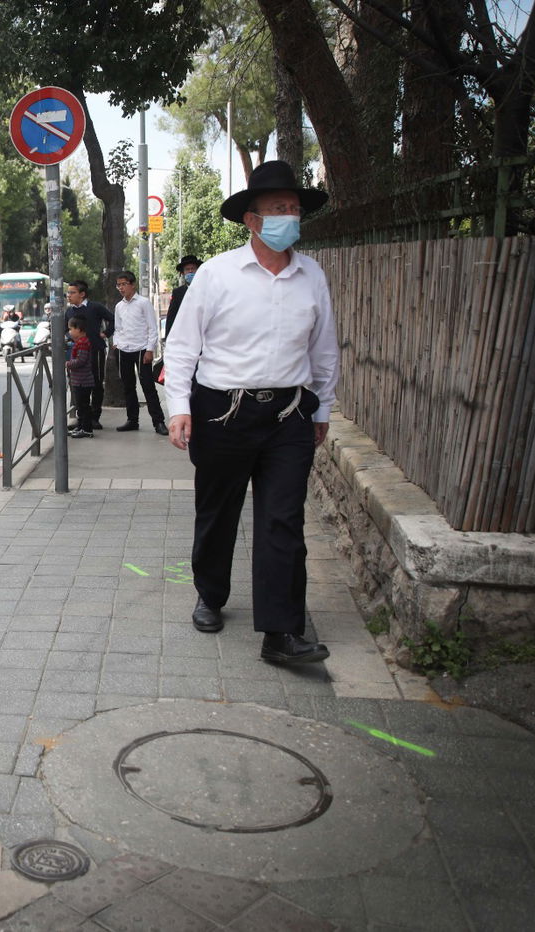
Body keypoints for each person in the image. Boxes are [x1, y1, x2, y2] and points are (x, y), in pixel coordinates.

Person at [163, 160, 339, 665]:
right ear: (253, 220)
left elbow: (324, 349)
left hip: (289, 415)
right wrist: (180, 408)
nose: (289, 216)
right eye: (278, 209)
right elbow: (181, 348)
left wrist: (322, 405)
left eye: (294, 209)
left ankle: (281, 633)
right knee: (218, 512)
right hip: (223, 412)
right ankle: (211, 594)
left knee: (283, 519)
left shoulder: (312, 277)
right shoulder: (217, 275)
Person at [112, 271, 166, 434]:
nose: (121, 288)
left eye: (124, 284)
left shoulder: (143, 303)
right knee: (128, 387)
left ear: (132, 284)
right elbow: (117, 328)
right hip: (123, 350)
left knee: (148, 386)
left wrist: (150, 349)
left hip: (142, 349)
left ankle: (159, 422)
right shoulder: (119, 306)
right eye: (119, 285)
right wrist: (116, 343)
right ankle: (132, 420)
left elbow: (152, 327)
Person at [64, 280, 114, 430]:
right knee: (77, 384)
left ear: (82, 294)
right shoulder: (69, 311)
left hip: (95, 350)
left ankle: (94, 417)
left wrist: (105, 334)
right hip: (76, 352)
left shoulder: (95, 307)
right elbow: (64, 329)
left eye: (72, 292)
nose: (69, 295)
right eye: (68, 292)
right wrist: (68, 337)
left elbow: (113, 319)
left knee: (96, 383)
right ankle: (81, 419)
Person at [64, 317, 95, 439]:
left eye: (71, 329)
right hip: (79, 380)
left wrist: (67, 364)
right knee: (80, 406)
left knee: (83, 406)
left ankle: (86, 429)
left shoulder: (83, 343)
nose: (69, 332)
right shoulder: (80, 342)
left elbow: (81, 361)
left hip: (83, 381)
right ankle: (80, 426)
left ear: (78, 329)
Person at [165, 255, 202, 338]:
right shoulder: (178, 293)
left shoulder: (206, 289)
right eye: (187, 269)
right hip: (184, 337)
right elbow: (171, 317)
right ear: (183, 273)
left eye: (193, 269)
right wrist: (168, 338)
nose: (190, 271)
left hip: (203, 337)